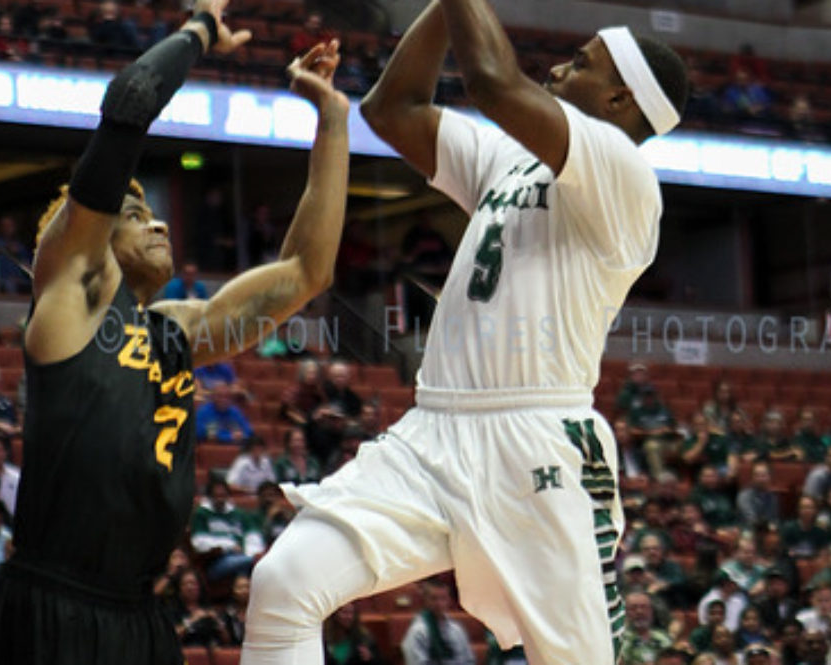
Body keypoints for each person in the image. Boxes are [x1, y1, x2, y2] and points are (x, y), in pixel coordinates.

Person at [240, 0, 688, 662]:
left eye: (583, 62)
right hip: (436, 431)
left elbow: (494, 84)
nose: (562, 66)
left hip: (537, 444)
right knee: (285, 581)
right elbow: (391, 110)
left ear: (621, 98)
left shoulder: (624, 172)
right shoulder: (512, 158)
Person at [0, 2, 351, 659]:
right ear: (84, 236)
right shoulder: (70, 292)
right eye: (132, 211)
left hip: (142, 614)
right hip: (56, 605)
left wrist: (332, 122)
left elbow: (306, 269)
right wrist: (200, 26)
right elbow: (128, 106)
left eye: (155, 213)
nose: (156, 223)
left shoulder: (177, 330)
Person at [399, 578, 475, 665]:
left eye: (443, 598)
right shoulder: (417, 632)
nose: (439, 604)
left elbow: (469, 661)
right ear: (425, 600)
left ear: (449, 600)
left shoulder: (457, 629)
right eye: (434, 599)